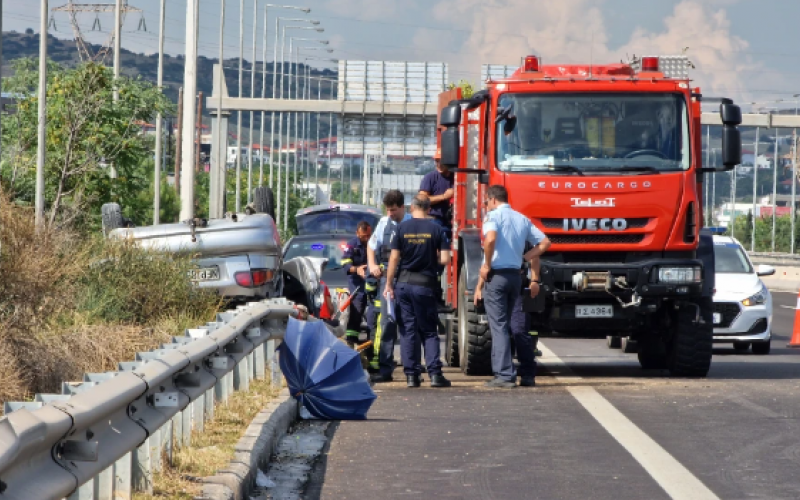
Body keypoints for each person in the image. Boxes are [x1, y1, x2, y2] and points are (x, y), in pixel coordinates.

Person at [480, 185, 551, 388]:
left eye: (486, 202)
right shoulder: (522, 219)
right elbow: (545, 243)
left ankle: (504, 374)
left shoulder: (492, 217)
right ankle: (516, 372)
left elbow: (490, 239)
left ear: (492, 199)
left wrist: (487, 264)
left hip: (498, 276)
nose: (486, 205)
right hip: (515, 277)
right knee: (514, 326)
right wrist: (524, 258)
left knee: (499, 326)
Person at [384, 195, 452, 388]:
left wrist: (389, 284)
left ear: (412, 208)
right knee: (429, 330)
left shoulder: (401, 228)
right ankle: (435, 375)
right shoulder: (437, 229)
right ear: (429, 209)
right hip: (425, 285)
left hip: (404, 284)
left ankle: (412, 376)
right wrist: (430, 258)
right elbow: (445, 259)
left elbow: (394, 259)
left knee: (408, 330)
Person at [474, 249, 543, 387]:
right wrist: (479, 287)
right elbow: (486, 263)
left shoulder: (520, 236)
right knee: (501, 330)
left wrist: (534, 280)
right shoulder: (495, 238)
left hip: (518, 288)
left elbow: (535, 256)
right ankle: (504, 373)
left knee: (519, 330)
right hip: (497, 283)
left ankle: (527, 373)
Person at [367, 190, 411, 383]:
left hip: (407, 277)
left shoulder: (411, 223)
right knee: (387, 323)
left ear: (402, 207)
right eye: (388, 209)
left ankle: (411, 369)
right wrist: (372, 265)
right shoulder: (384, 223)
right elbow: (371, 246)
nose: (390, 213)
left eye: (393, 210)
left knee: (409, 324)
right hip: (387, 279)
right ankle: (385, 368)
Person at [419, 148, 454, 309]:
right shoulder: (430, 178)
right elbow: (422, 199)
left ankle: (438, 294)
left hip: (451, 223)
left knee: (446, 260)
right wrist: (444, 197)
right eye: (436, 160)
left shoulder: (455, 177)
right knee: (436, 259)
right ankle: (433, 295)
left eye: (441, 160)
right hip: (435, 221)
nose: (438, 163)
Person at [341, 221, 373, 347]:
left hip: (371, 281)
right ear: (357, 233)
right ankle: (351, 339)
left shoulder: (373, 243)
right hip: (356, 282)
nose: (367, 238)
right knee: (357, 310)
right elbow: (345, 264)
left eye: (369, 235)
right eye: (364, 236)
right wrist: (357, 269)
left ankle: (371, 340)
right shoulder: (351, 245)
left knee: (373, 311)